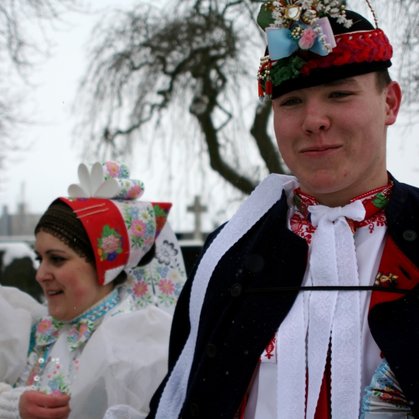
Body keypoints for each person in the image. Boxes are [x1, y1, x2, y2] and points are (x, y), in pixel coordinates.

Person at [147, 1, 418, 418]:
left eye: (339, 94)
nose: (313, 120)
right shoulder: (228, 254)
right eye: (291, 102)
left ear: (390, 103)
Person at [0, 161, 186, 419]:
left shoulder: (135, 348)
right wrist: (10, 406)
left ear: (105, 267)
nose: (40, 274)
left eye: (57, 259)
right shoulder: (33, 330)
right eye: (39, 258)